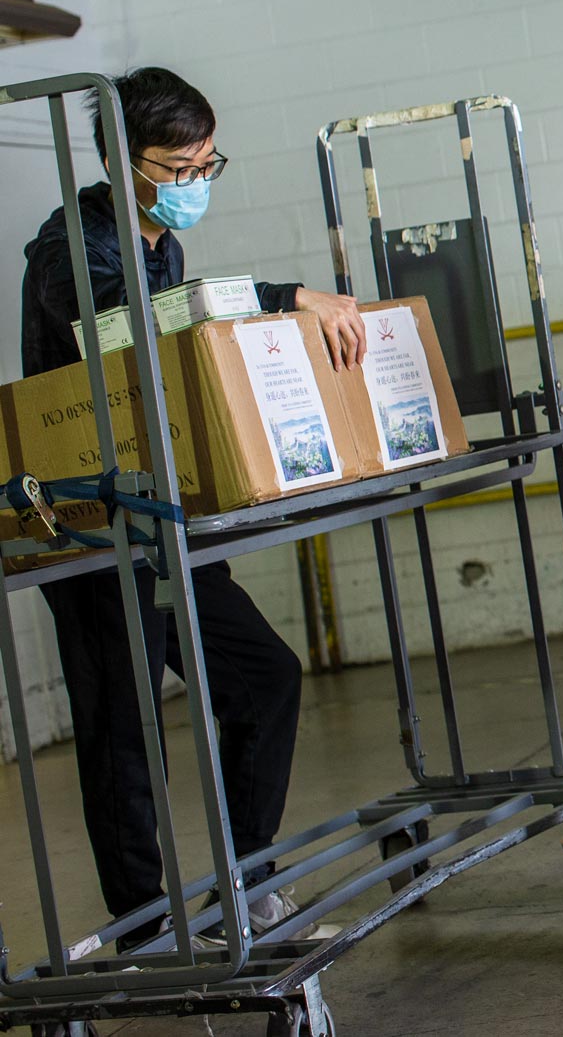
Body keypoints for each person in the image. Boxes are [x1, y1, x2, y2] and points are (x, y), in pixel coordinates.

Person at [19, 66, 367, 948]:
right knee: (123, 728)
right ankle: (142, 927)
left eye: (206, 166)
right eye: (177, 169)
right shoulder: (70, 248)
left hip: (157, 515)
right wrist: (287, 296)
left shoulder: (156, 241)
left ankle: (242, 886)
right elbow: (127, 323)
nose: (192, 186)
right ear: (119, 160)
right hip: (90, 524)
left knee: (263, 675)